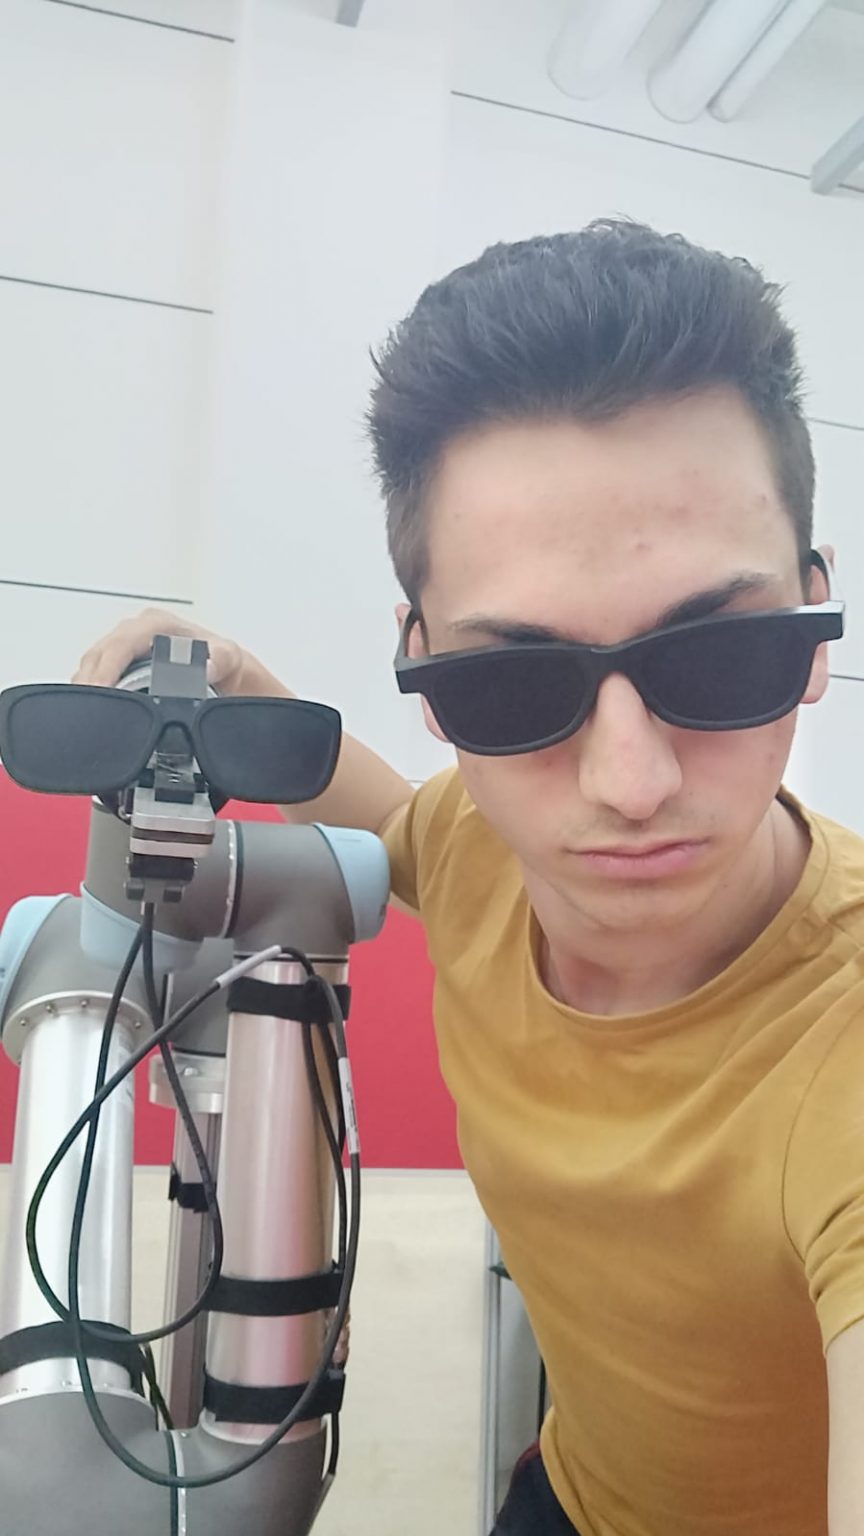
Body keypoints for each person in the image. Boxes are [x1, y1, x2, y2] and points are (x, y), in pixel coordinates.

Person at [75, 220, 864, 1536]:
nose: (627, 783)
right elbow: (399, 819)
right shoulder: (489, 846)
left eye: (721, 657)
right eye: (511, 686)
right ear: (426, 670)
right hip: (568, 1492)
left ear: (817, 619)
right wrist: (243, 682)